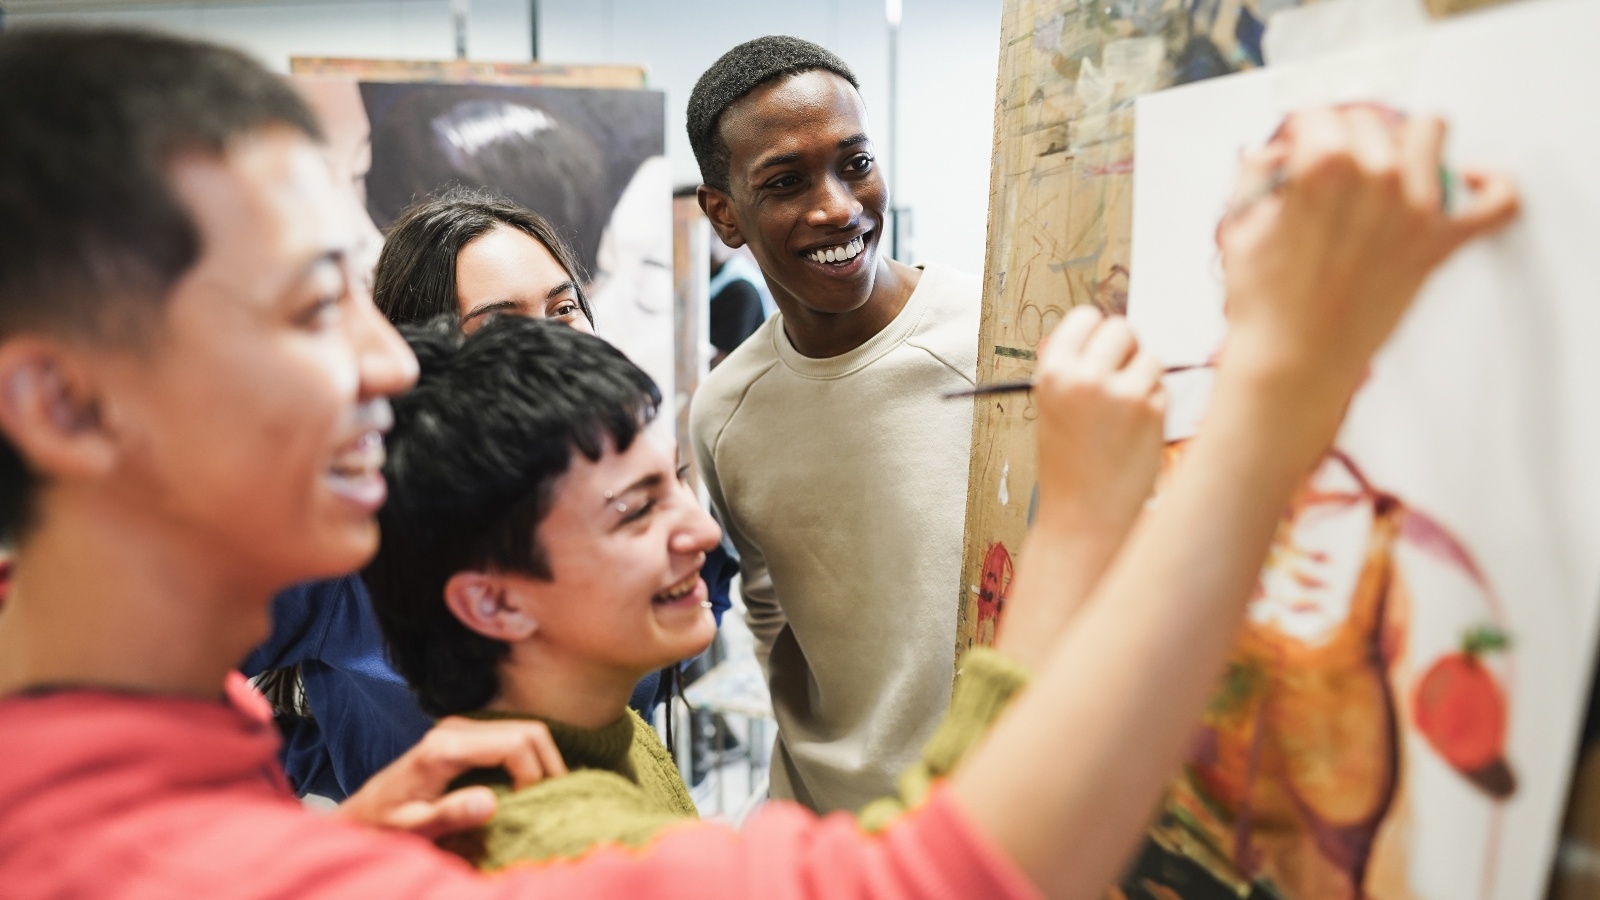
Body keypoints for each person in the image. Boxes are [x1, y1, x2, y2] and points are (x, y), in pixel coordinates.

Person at [0, 25, 1517, 900]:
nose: (395, 367)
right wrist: (1282, 382)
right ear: (65, 404)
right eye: (311, 305)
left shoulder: (170, 734)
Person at [366, 314, 1108, 866]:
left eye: (678, 486)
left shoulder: (609, 731)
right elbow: (943, 875)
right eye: (636, 511)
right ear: (494, 602)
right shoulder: (554, 843)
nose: (702, 534)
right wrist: (1077, 516)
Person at [686, 35, 987, 814]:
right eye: (786, 181)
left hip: (1006, 817)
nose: (838, 207)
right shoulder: (726, 411)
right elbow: (770, 605)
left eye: (855, 164)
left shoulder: (997, 336)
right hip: (831, 826)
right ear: (724, 214)